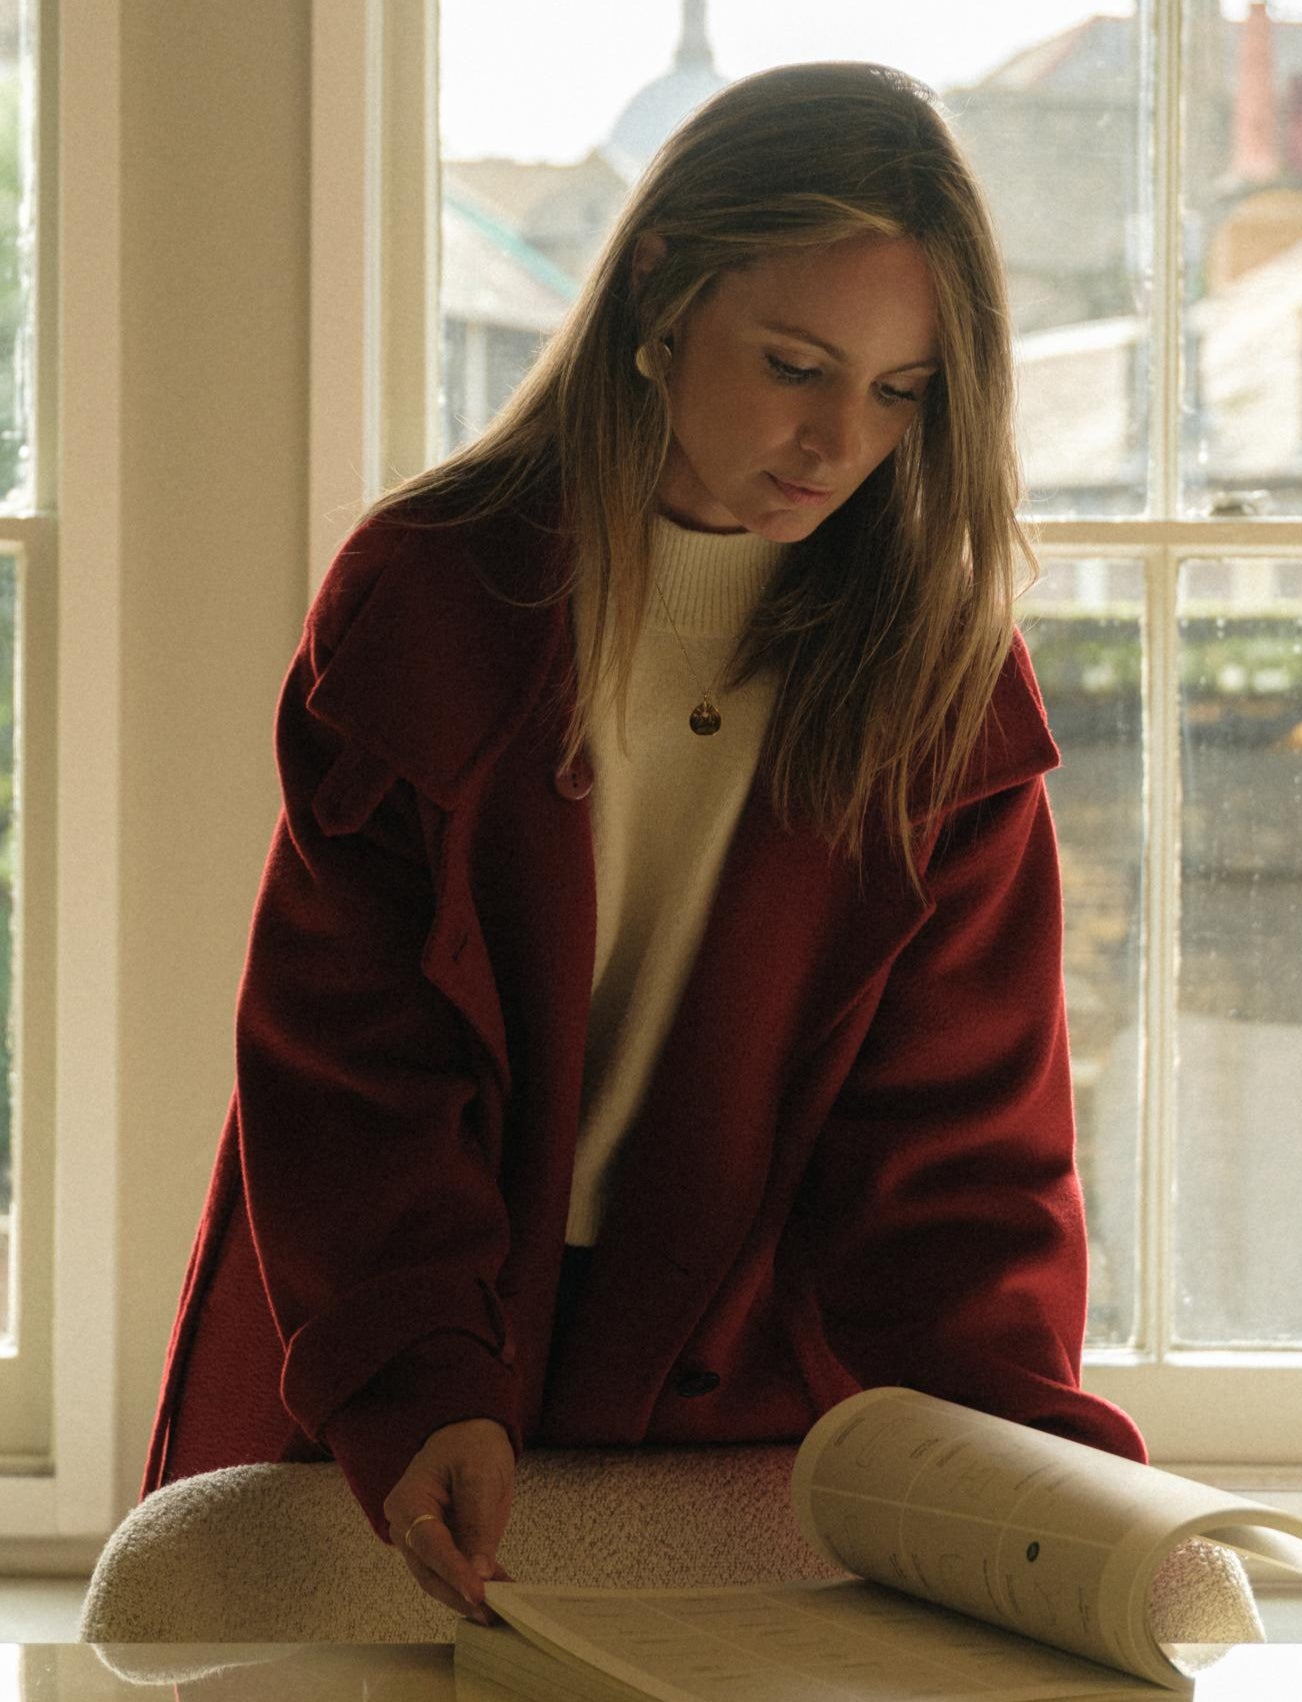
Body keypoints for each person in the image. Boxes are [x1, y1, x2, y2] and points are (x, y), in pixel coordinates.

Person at [144, 60, 1146, 1626]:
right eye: (796, 364)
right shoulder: (429, 598)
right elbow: (347, 1054)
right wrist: (418, 1376)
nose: (838, 439)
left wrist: (1039, 1497)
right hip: (393, 1353)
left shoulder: (941, 681)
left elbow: (963, 1153)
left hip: (740, 1412)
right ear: (661, 287)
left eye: (900, 392)